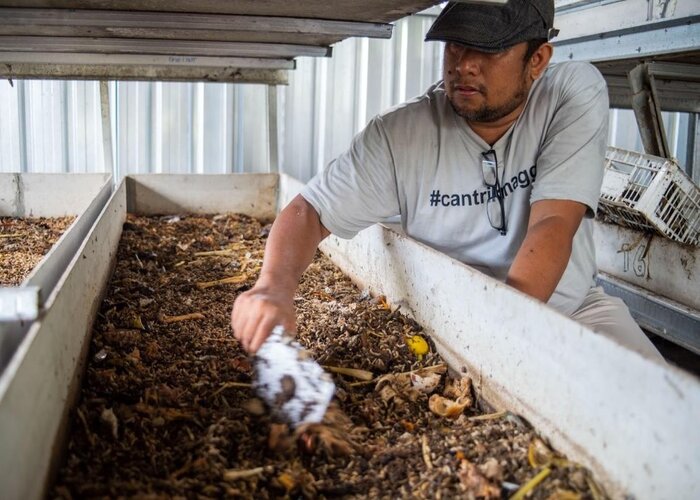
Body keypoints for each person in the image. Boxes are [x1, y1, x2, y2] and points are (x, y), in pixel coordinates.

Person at [231, 0, 663, 360]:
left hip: (570, 310)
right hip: (449, 326)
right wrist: (273, 287)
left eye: (489, 50)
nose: (465, 66)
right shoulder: (401, 135)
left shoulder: (568, 93)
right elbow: (310, 212)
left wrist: (506, 343)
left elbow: (554, 224)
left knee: (666, 417)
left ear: (537, 60)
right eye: (456, 45)